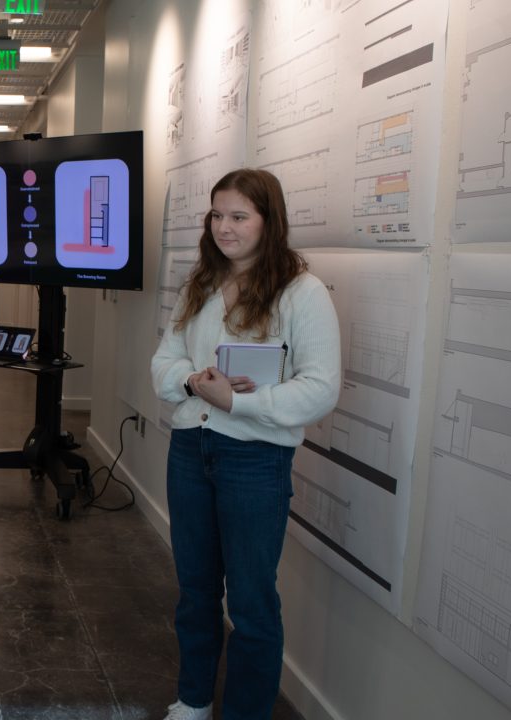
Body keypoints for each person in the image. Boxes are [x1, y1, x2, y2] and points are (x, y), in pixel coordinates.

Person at [150, 168, 341, 720]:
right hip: (192, 448)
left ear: (268, 221)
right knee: (196, 592)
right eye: (217, 216)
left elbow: (320, 387)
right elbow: (165, 361)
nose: (225, 228)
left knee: (253, 605)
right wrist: (193, 382)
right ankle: (193, 700)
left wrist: (241, 403)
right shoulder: (201, 283)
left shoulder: (301, 292)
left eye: (239, 217)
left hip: (255, 458)